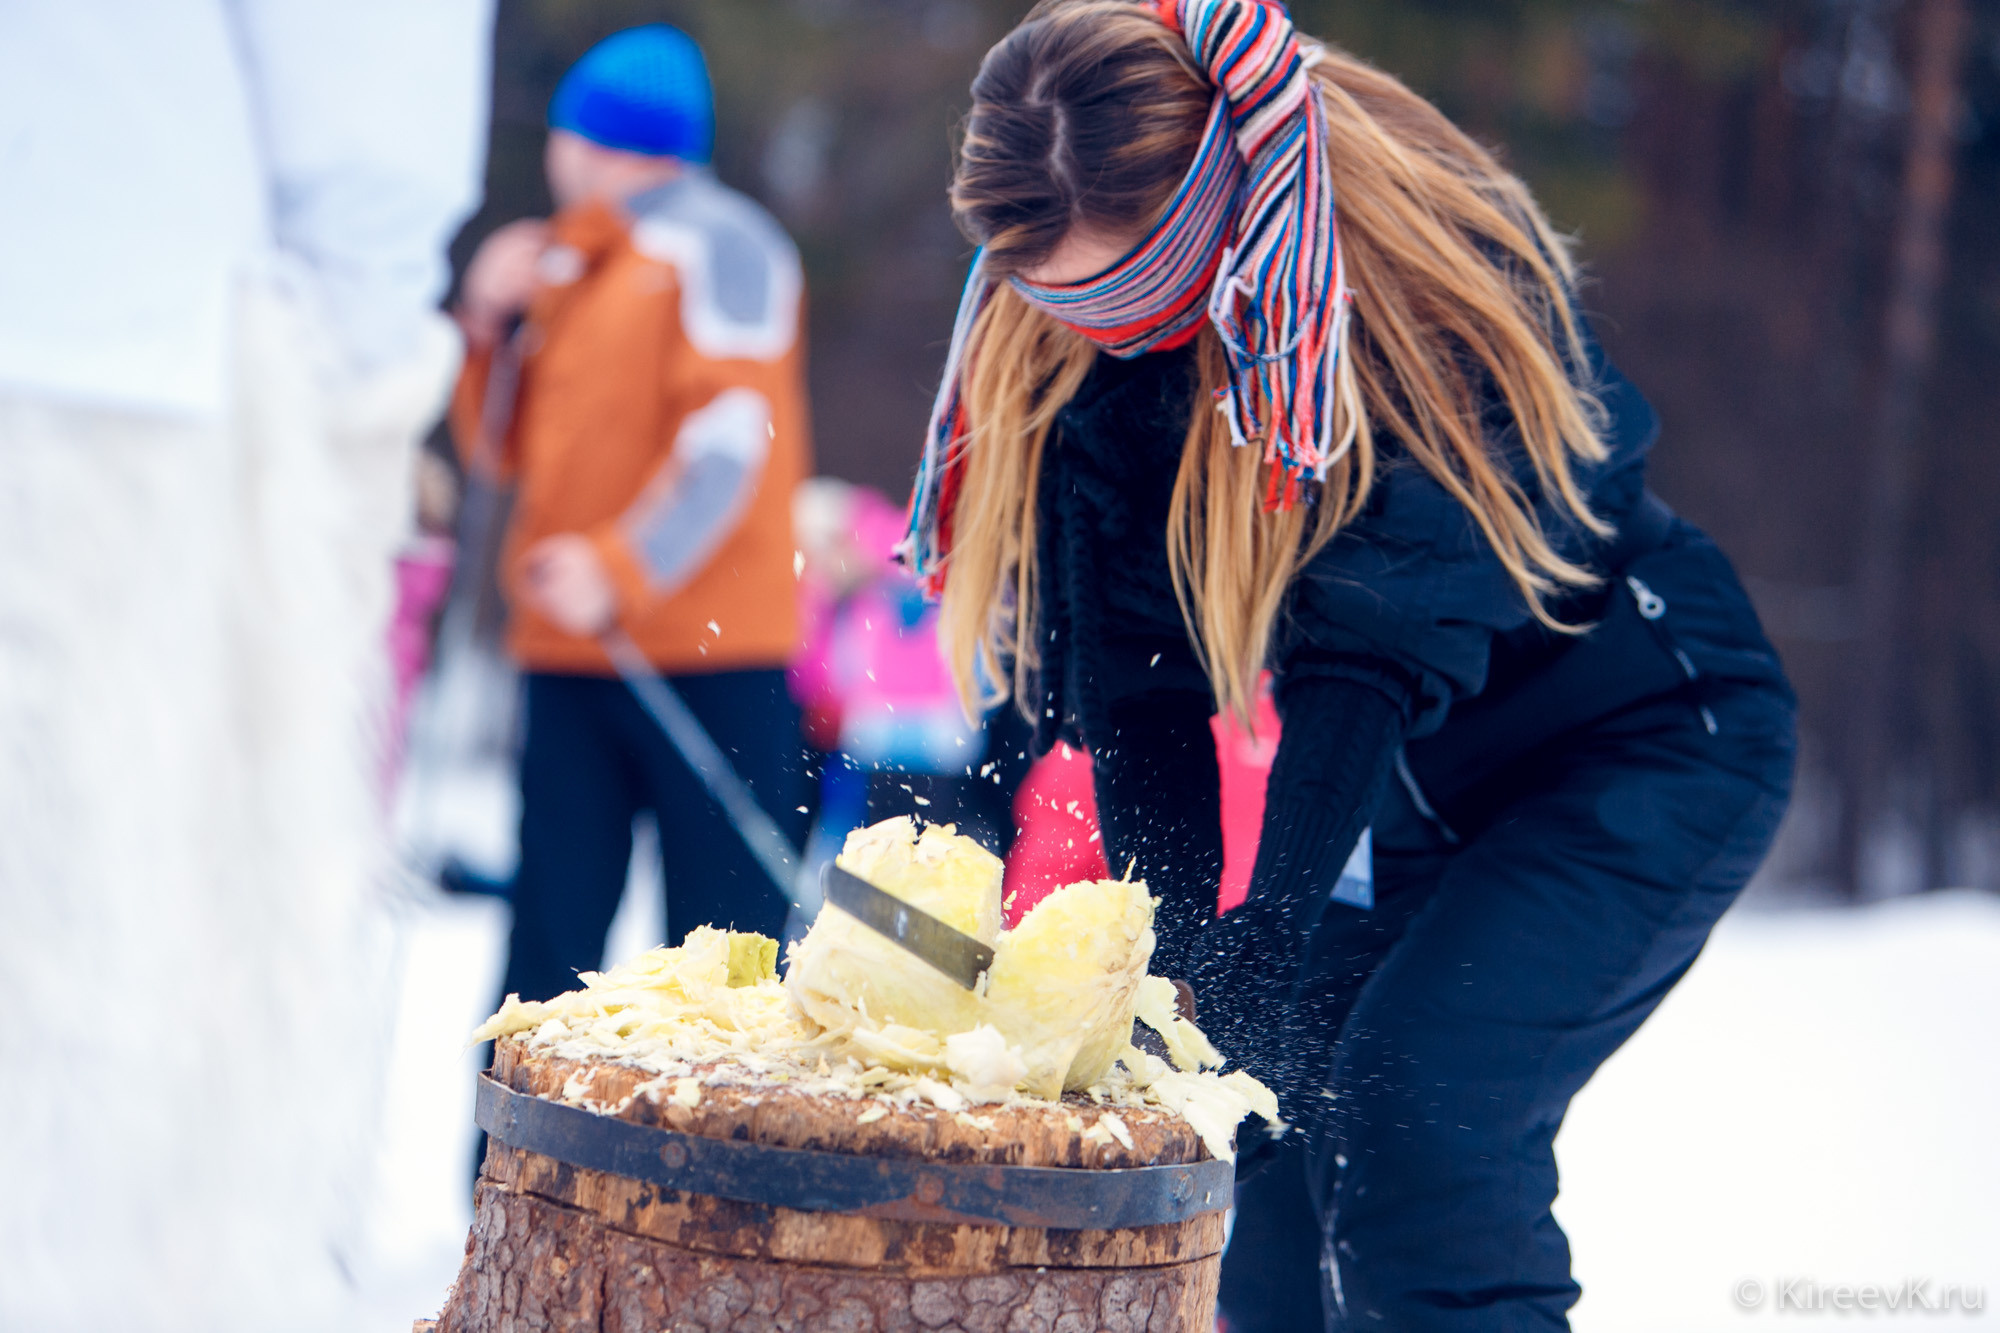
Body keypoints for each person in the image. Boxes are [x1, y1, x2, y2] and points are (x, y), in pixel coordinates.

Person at [903, 2, 1797, 1328]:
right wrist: (1186, 952)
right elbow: (1145, 691)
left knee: (1418, 1123)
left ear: (1215, 210)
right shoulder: (1121, 366)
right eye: (1056, 297)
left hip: (1638, 738)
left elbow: (1372, 646)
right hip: (1409, 785)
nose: (1100, 330)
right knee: (1265, 1142)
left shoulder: (1421, 296)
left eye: (1128, 289)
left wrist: (1262, 931)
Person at [0, 2, 490, 1329]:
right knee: (116, 1038)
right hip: (109, 354)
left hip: (100, 316)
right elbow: (367, 84)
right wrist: (358, 382)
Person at [452, 25, 812, 1008]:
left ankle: (716, 1168)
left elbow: (732, 437)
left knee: (724, 959)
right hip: (566, 652)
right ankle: (508, 1164)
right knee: (546, 953)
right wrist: (487, 323)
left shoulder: (724, 245)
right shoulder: (563, 263)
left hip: (706, 654)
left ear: (581, 136)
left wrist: (619, 563)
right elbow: (499, 453)